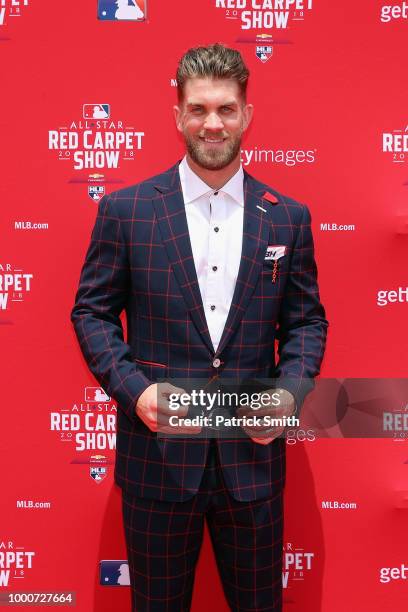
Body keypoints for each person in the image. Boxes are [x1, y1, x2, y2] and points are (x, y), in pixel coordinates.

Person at [71, 43, 328, 611]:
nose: (213, 124)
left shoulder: (286, 216)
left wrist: (290, 391)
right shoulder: (126, 211)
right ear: (177, 116)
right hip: (157, 466)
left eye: (226, 109)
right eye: (199, 109)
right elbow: (90, 312)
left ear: (247, 115)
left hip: (253, 466)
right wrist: (136, 392)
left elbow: (307, 322)